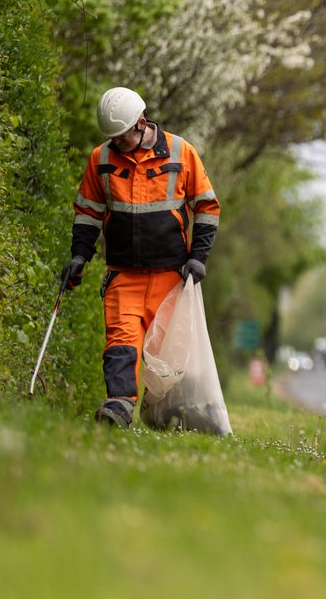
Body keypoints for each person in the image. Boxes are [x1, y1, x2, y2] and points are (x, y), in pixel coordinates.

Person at [60, 86, 220, 427]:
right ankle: (118, 406)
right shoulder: (100, 160)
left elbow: (206, 206)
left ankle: (174, 414)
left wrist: (199, 256)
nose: (116, 143)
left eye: (121, 137)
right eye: (111, 138)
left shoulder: (181, 152)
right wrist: (78, 257)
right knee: (121, 343)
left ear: (141, 124)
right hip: (124, 275)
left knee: (171, 356)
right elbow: (88, 213)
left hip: (171, 276)